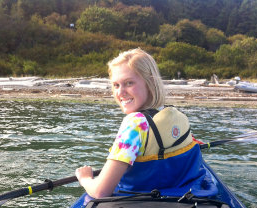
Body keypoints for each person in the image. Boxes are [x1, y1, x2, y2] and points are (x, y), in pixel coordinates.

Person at [75, 48, 216, 198]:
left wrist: (85, 178)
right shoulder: (176, 115)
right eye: (116, 85)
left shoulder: (135, 124)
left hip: (143, 202)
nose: (120, 92)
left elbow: (100, 192)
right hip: (189, 195)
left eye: (129, 83)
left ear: (150, 82)